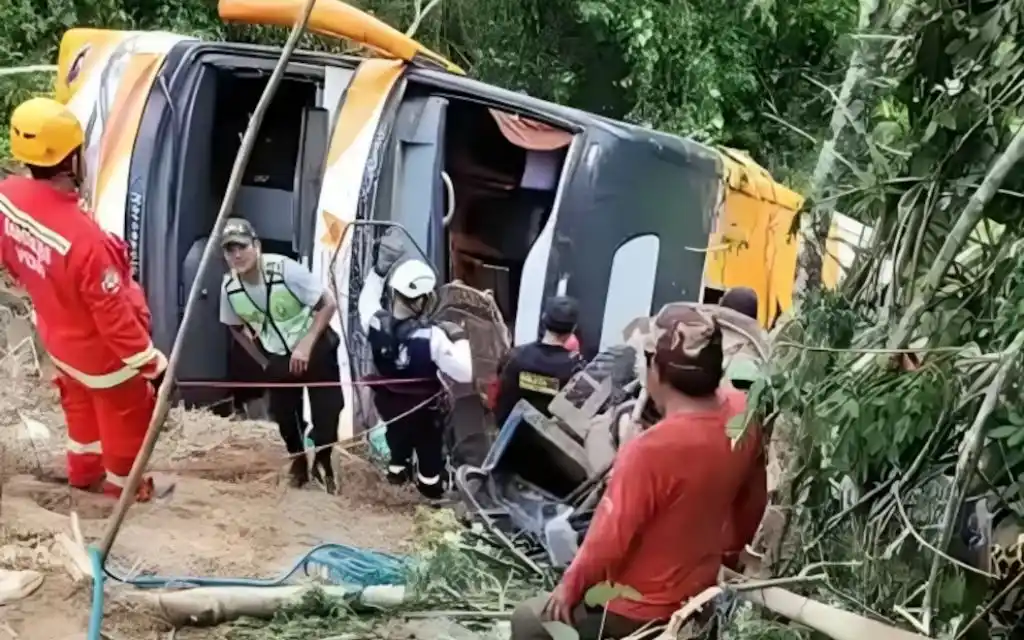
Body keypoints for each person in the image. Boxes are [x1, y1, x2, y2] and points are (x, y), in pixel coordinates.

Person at [509, 307, 765, 640]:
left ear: (656, 370)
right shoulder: (742, 414)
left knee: (527, 620)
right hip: (699, 596)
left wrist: (569, 587)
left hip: (637, 610)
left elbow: (607, 541)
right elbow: (751, 504)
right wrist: (729, 554)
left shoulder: (650, 451)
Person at [0, 98, 167, 500]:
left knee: (81, 409)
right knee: (125, 416)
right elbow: (113, 318)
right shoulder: (85, 240)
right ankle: (126, 491)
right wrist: (152, 364)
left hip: (59, 340)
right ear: (71, 158)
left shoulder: (7, 197)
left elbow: (12, 260)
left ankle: (82, 474)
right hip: (104, 355)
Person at [217, 217, 342, 493]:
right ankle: (298, 461)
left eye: (242, 246)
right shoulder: (229, 288)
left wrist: (306, 344)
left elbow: (328, 303)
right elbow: (235, 327)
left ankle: (323, 460)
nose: (237, 255)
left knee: (329, 412)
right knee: (286, 418)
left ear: (256, 246)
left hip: (316, 345)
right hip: (277, 355)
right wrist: (263, 360)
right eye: (229, 250)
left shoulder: (285, 270)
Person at [358, 233, 473, 500]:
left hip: (390, 407)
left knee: (396, 444)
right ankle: (429, 489)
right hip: (424, 412)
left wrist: (379, 270)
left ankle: (397, 478)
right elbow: (464, 372)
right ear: (420, 300)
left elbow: (367, 301)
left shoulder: (374, 323)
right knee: (429, 453)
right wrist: (459, 336)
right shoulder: (434, 337)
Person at [493, 296, 586, 426]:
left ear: (543, 318)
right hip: (549, 444)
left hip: (509, 440)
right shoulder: (576, 369)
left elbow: (497, 398)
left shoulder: (514, 357)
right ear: (573, 328)